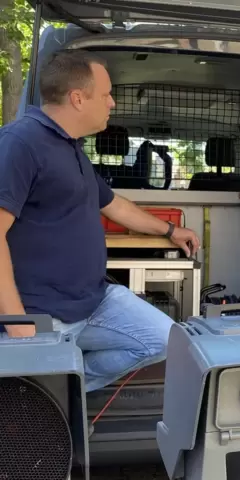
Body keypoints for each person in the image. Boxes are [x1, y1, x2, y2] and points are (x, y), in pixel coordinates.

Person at [0, 50, 200, 396]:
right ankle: (49, 391)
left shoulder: (71, 147)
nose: (113, 103)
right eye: (106, 94)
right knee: (36, 409)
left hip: (95, 301)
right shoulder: (21, 142)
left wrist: (171, 230)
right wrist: (19, 324)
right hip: (42, 314)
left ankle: (65, 385)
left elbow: (113, 205)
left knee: (166, 339)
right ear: (78, 98)